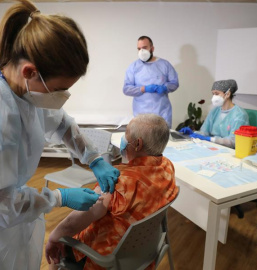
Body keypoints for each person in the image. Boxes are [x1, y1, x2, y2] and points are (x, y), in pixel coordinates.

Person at [0, 1, 119, 269]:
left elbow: (63, 124)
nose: (62, 97)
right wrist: (58, 198)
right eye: (60, 89)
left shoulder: (28, 93)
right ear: (30, 72)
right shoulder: (2, 114)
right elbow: (2, 206)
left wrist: (94, 158)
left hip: (19, 223)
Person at [45, 114, 179, 270]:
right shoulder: (167, 167)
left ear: (137, 144)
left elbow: (70, 225)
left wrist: (53, 237)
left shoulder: (119, 182)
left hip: (107, 256)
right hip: (144, 250)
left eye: (126, 133)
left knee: (58, 247)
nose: (123, 139)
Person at [123, 36, 179, 128]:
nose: (141, 51)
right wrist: (143, 89)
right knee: (142, 141)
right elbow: (126, 89)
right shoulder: (134, 67)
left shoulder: (164, 65)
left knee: (162, 140)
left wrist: (165, 88)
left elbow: (174, 83)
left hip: (162, 114)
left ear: (152, 48)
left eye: (144, 48)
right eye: (139, 49)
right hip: (141, 117)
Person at [179, 79, 249, 148]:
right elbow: (204, 132)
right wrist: (193, 133)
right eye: (213, 94)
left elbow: (233, 142)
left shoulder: (239, 115)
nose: (214, 97)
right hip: (212, 147)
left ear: (227, 94)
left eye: (217, 93)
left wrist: (210, 139)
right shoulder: (214, 111)